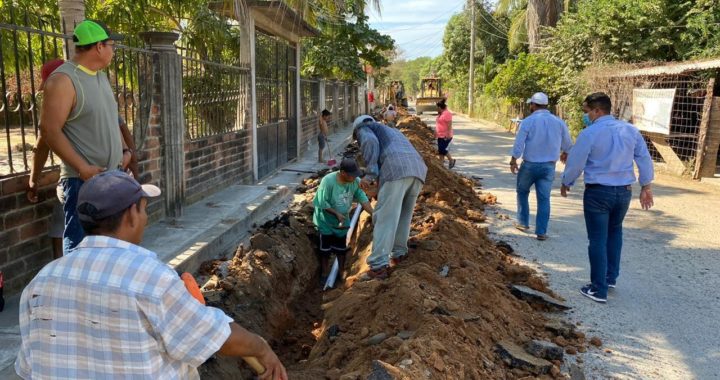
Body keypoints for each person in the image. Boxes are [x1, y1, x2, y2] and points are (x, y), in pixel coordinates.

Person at [15, 171, 287, 379]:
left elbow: (28, 369)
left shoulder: (41, 282)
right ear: (132, 214)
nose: (144, 218)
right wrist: (261, 348)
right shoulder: (150, 278)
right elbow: (216, 337)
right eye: (144, 209)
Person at [28, 59, 140, 259]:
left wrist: (33, 180)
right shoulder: (93, 94)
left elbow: (43, 144)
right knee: (110, 232)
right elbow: (121, 131)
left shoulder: (63, 98)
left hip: (82, 177)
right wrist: (129, 156)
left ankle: (68, 271)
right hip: (110, 174)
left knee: (73, 232)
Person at [39, 20, 132, 253]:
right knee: (80, 244)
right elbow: (49, 131)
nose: (114, 50)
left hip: (111, 176)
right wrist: (82, 168)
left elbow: (111, 118)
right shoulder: (63, 80)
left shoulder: (100, 77)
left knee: (110, 243)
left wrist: (124, 151)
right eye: (111, 45)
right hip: (83, 181)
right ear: (99, 47)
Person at [561, 92, 654, 304]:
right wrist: (646, 186)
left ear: (597, 110)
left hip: (598, 193)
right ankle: (610, 278)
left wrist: (567, 181)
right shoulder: (630, 130)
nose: (586, 116)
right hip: (624, 193)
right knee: (615, 233)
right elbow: (644, 159)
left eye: (587, 112)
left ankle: (598, 289)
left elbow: (576, 162)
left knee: (597, 239)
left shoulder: (590, 133)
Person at [353, 115, 427, 280]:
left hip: (396, 171)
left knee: (385, 218)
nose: (358, 141)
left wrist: (369, 176)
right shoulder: (391, 131)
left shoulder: (364, 129)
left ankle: (378, 266)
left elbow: (370, 143)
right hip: (418, 170)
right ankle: (399, 253)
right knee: (403, 216)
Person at [509, 92, 572, 241]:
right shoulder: (558, 122)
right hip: (549, 167)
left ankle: (523, 222)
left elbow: (519, 143)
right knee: (544, 199)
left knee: (522, 191)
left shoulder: (528, 121)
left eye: (530, 104)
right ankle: (541, 231)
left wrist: (513, 160)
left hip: (529, 165)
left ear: (533, 105)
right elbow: (568, 144)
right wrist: (565, 153)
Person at [313, 158, 374, 284]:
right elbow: (321, 202)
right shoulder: (328, 181)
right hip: (325, 222)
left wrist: (374, 214)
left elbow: (362, 199)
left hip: (342, 222)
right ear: (343, 172)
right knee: (325, 250)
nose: (354, 178)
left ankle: (341, 272)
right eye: (351, 175)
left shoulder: (354, 181)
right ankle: (324, 272)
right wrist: (336, 213)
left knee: (341, 250)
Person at [435, 100, 456, 169]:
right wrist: (436, 132)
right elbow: (438, 124)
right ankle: (441, 166)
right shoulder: (440, 113)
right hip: (440, 135)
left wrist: (448, 134)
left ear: (440, 107)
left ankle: (451, 160)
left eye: (437, 107)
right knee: (440, 151)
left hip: (446, 135)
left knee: (442, 149)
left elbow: (449, 125)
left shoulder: (447, 114)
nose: (436, 108)